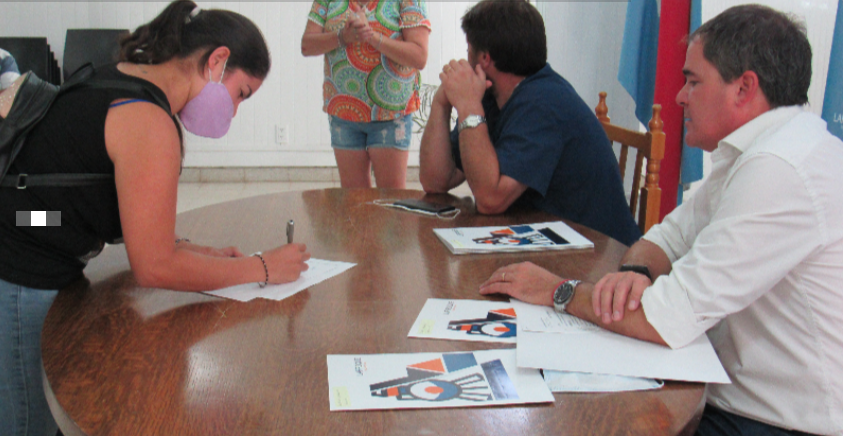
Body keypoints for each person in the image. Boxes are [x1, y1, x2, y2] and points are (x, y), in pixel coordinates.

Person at [480, 5, 843, 435]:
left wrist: (557, 291)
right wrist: (634, 275)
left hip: (773, 421)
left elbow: (666, 317)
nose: (679, 97)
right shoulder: (759, 149)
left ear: (744, 87)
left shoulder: (780, 169)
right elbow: (665, 238)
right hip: (726, 390)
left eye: (693, 81)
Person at [0, 2, 310, 435]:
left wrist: (188, 249)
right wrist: (262, 268)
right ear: (217, 60)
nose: (235, 111)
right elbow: (154, 266)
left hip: (28, 229)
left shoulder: (121, 79)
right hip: (21, 272)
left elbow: (83, 201)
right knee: (27, 423)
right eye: (241, 94)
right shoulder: (148, 120)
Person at [418, 0, 640, 246]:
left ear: (484, 58)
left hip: (601, 256)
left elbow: (491, 200)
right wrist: (442, 103)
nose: (465, 59)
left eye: (469, 49)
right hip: (551, 241)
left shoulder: (544, 103)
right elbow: (436, 181)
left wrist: (468, 107)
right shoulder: (492, 97)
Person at [301, 0, 431, 189]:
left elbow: (419, 56)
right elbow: (307, 46)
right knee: (354, 201)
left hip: (391, 114)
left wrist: (371, 36)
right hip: (343, 113)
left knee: (390, 201)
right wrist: (343, 37)